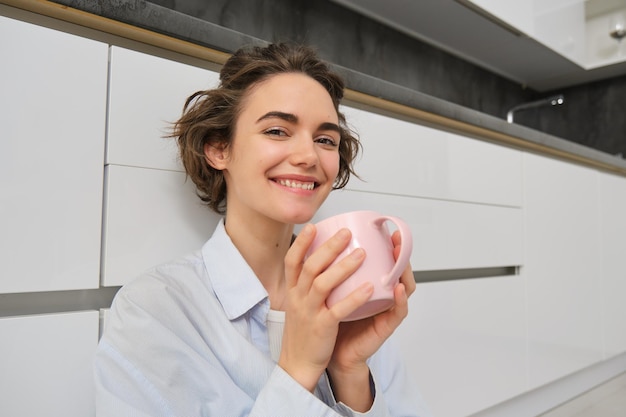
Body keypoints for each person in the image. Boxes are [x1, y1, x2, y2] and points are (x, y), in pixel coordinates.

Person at [94, 42, 431, 417]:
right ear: (219, 149)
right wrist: (298, 371)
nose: (308, 156)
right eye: (276, 131)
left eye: (325, 140)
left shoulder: (353, 296)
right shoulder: (156, 311)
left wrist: (349, 371)